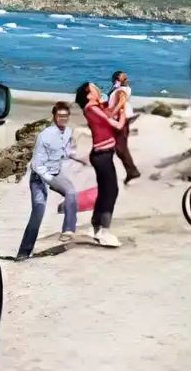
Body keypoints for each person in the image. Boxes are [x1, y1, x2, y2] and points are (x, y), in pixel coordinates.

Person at [16, 101, 86, 260]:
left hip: (55, 173)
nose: (63, 119)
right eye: (59, 116)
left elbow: (66, 151)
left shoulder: (68, 132)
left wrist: (81, 158)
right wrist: (50, 180)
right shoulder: (45, 135)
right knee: (38, 212)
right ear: (54, 117)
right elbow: (37, 164)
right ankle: (23, 253)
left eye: (65, 116)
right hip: (39, 176)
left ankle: (68, 230)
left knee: (71, 191)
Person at [77, 82, 122, 248]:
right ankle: (104, 231)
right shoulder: (92, 108)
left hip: (103, 154)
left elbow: (109, 114)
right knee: (111, 191)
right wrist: (122, 111)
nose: (97, 88)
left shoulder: (95, 107)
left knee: (105, 191)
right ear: (88, 94)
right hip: (102, 155)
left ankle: (96, 226)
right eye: (93, 87)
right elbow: (117, 124)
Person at [107, 69, 142, 183]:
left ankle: (132, 171)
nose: (126, 79)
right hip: (121, 119)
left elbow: (121, 102)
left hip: (121, 120)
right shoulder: (119, 89)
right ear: (116, 79)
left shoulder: (122, 90)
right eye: (123, 78)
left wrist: (111, 113)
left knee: (121, 147)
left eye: (125, 78)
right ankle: (131, 171)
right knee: (120, 147)